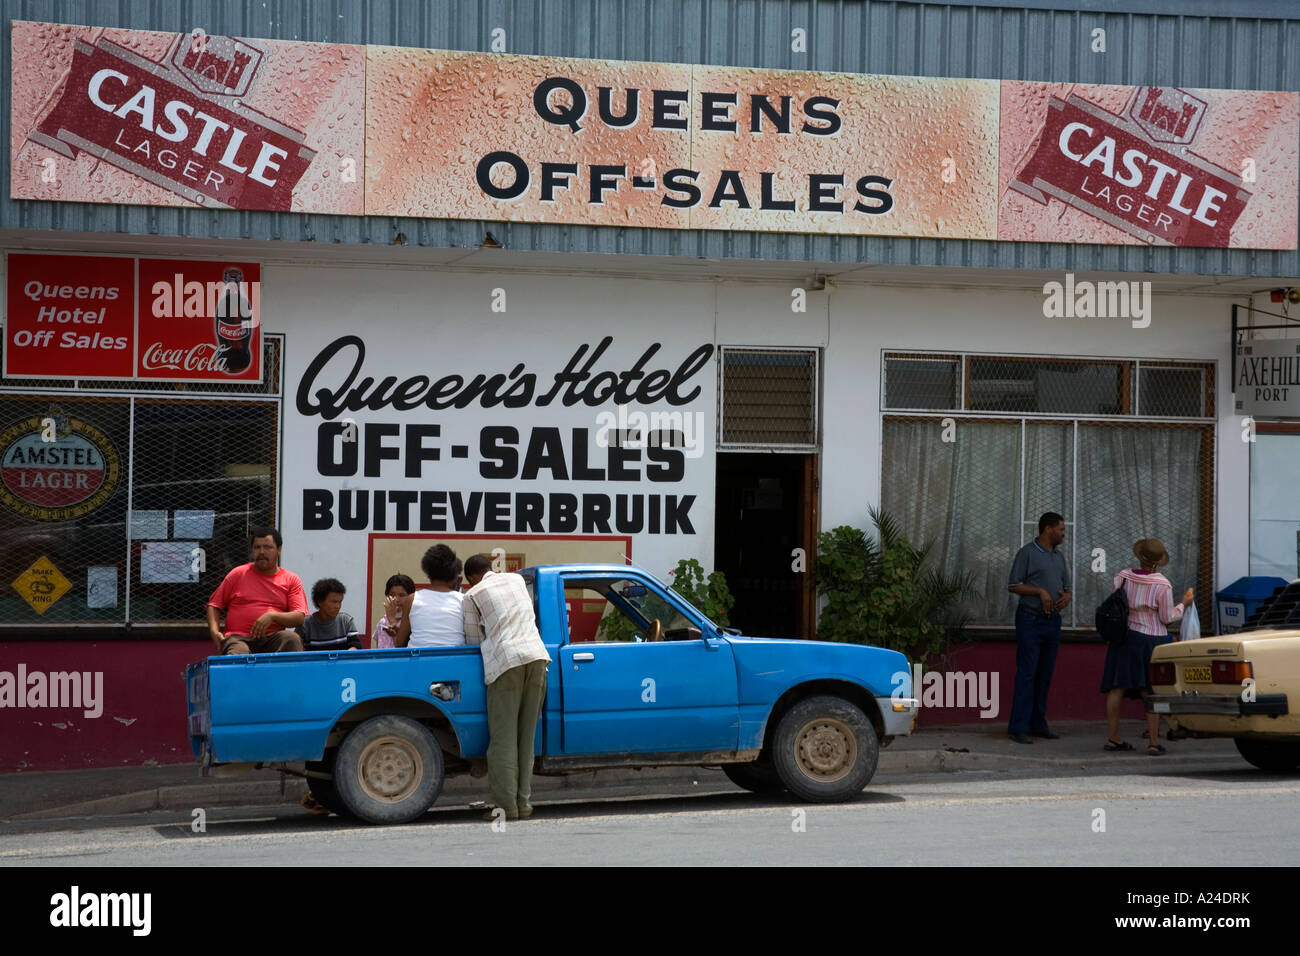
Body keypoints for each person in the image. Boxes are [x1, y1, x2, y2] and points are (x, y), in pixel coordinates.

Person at [462, 553, 551, 822]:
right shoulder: (516, 580)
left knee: (503, 741)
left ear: (472, 578)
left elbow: (472, 640)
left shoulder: (472, 594)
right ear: (491, 568)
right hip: (537, 657)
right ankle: (523, 805)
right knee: (526, 739)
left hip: (506, 662)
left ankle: (504, 808)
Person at [1101, 538, 1194, 756]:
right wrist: (1183, 604)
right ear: (1158, 562)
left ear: (1139, 557)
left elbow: (1115, 603)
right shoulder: (1163, 585)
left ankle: (1114, 738)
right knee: (1150, 690)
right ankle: (1153, 742)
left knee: (1117, 688)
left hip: (1125, 637)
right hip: (1152, 641)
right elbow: (1166, 617)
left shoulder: (1122, 577)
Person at [1006, 512, 1072, 744]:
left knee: (1044, 674)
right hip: (1030, 619)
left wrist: (1066, 596)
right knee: (1027, 673)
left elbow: (1066, 586)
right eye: (1061, 529)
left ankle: (1038, 723)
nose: (1064, 534)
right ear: (1048, 529)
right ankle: (1018, 726)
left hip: (1052, 621)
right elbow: (1013, 585)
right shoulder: (1028, 553)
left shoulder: (1059, 557)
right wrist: (1039, 591)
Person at [206, 528, 308, 655]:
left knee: (291, 639)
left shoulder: (291, 579)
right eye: (257, 547)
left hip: (272, 638)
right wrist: (214, 632)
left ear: (279, 550)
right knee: (238, 652)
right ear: (252, 551)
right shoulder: (238, 573)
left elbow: (299, 617)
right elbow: (214, 605)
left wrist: (272, 616)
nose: (262, 552)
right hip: (238, 638)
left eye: (267, 547)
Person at [393, 545, 465, 648]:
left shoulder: (412, 599)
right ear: (454, 575)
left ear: (427, 572)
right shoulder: (463, 600)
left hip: (419, 661)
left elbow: (399, 643)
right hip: (455, 661)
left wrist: (393, 624)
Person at [297, 578, 361, 651]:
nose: (338, 606)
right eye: (334, 602)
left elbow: (356, 645)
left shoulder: (346, 621)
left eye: (340, 602)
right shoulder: (306, 624)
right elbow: (296, 651)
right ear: (320, 601)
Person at [371, 573, 415, 649]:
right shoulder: (382, 622)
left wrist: (392, 620)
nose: (396, 599)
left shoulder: (412, 622)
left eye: (401, 595)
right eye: (392, 594)